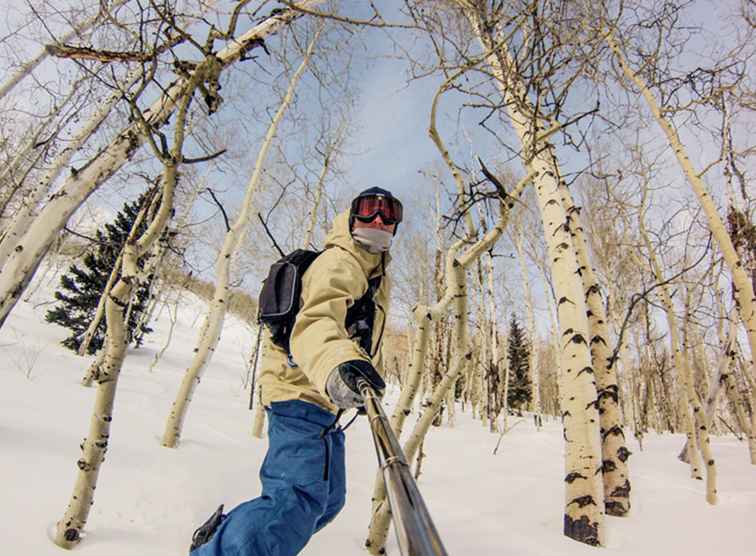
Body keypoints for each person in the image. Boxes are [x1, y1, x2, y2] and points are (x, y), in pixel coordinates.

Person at [190, 187, 403, 556]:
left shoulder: (373, 275)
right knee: (294, 503)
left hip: (324, 402)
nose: (379, 220)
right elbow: (315, 322)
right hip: (299, 393)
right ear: (352, 218)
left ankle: (224, 536)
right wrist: (341, 366)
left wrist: (367, 379)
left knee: (325, 502)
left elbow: (363, 338)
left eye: (389, 213)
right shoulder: (340, 263)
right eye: (369, 210)